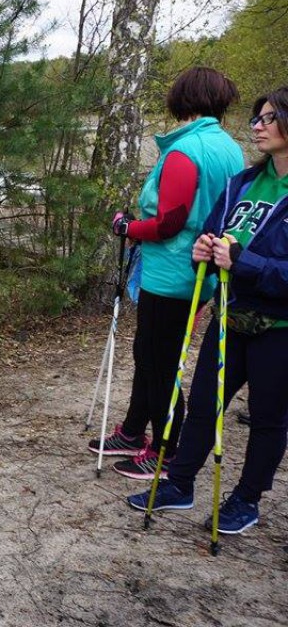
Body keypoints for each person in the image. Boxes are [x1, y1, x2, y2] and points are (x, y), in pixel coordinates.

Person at [129, 87, 288, 535]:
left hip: (278, 326)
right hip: (230, 316)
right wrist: (204, 249)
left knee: (267, 417)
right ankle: (179, 484)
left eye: (269, 118)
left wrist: (244, 262)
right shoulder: (243, 182)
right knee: (202, 404)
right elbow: (217, 230)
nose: (257, 126)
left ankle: (246, 500)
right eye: (256, 118)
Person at [89, 67, 243, 480]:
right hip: (201, 269)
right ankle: (135, 430)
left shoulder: (184, 151)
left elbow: (169, 221)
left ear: (182, 98)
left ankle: (165, 448)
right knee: (152, 354)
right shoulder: (230, 148)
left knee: (160, 361)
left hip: (172, 271)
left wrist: (127, 227)